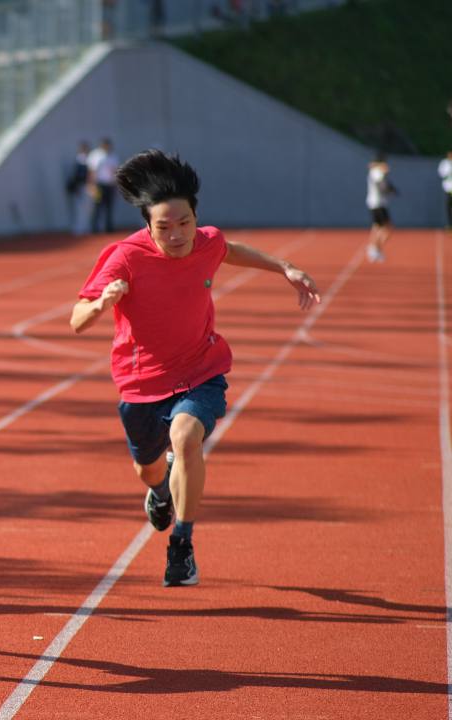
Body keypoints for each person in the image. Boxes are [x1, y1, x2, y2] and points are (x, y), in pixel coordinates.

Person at [69, 149, 320, 587]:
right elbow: (76, 320)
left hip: (201, 369)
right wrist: (102, 304)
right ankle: (159, 491)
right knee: (148, 469)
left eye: (184, 223)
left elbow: (229, 249)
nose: (177, 234)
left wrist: (285, 267)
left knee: (186, 438)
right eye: (164, 227)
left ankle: (181, 546)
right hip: (141, 383)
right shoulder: (125, 258)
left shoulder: (206, 242)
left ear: (195, 217)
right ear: (147, 226)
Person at [365, 153, 397, 262]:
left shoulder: (375, 171)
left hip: (376, 203)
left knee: (377, 227)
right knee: (387, 227)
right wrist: (390, 190)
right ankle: (375, 248)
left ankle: (374, 248)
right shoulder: (377, 172)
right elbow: (382, 186)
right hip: (378, 203)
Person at [87, 137, 120, 234]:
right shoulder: (96, 155)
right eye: (106, 145)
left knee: (109, 206)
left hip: (110, 185)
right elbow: (92, 171)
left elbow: (115, 171)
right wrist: (92, 185)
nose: (107, 147)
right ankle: (95, 228)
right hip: (99, 185)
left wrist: (116, 185)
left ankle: (108, 227)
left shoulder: (113, 156)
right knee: (97, 206)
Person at [67, 140, 91, 235]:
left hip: (87, 187)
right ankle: (78, 228)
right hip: (80, 187)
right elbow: (75, 177)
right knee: (79, 208)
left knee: (88, 209)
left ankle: (85, 227)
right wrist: (76, 188)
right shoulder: (78, 161)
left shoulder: (89, 159)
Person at [439, 150, 452, 230]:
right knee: (448, 206)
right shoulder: (444, 163)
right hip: (448, 188)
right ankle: (450, 224)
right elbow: (441, 173)